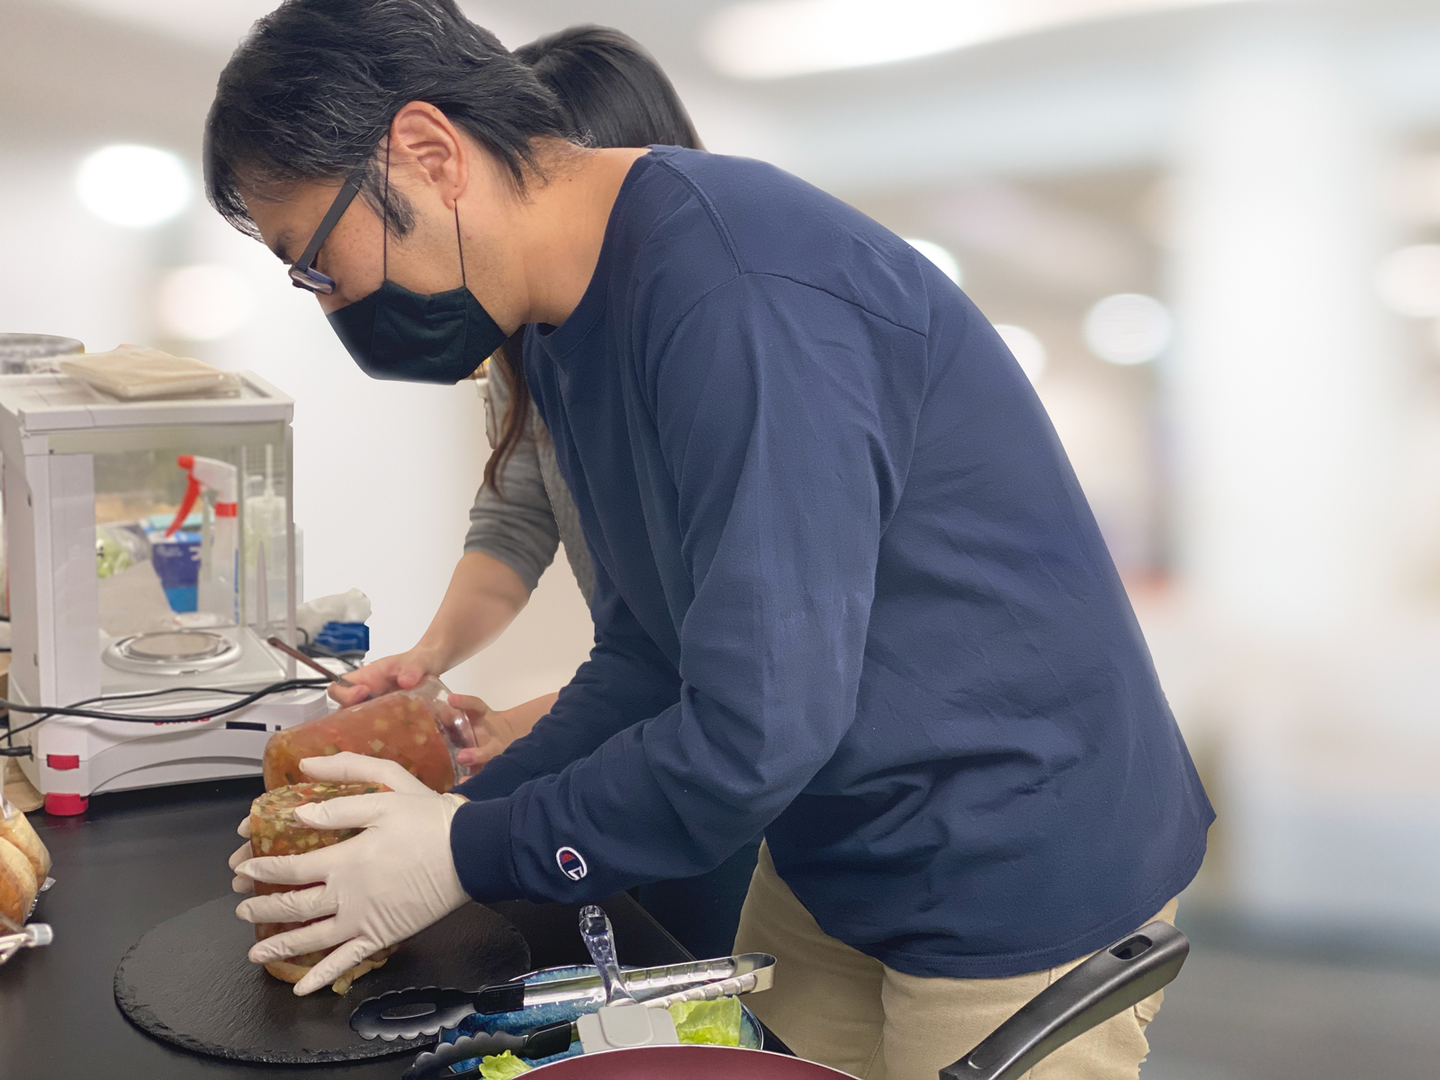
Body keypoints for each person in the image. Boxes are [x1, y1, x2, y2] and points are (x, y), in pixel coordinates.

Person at [213, 2, 1214, 1077]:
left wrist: (461, 851)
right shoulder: (560, 325)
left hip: (1011, 852)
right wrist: (435, 823)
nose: (331, 306)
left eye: (317, 264)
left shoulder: (742, 292)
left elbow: (754, 730)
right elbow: (648, 655)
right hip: (838, 841)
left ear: (428, 153)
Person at [315, 23, 757, 962]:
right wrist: (431, 660)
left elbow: (724, 677)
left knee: (702, 954)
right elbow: (523, 527)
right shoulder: (535, 351)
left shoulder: (706, 342)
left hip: (726, 748)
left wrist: (515, 745)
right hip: (667, 708)